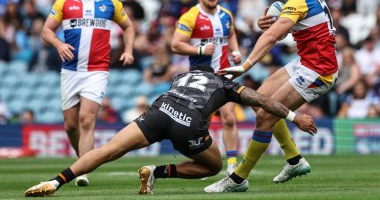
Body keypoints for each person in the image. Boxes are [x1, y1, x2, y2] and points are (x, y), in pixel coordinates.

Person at [24, 65, 317, 197]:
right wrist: (294, 117)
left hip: (159, 110)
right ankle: (157, 171)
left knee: (107, 150)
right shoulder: (225, 84)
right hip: (187, 123)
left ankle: (55, 181)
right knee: (214, 166)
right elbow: (263, 101)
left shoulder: (183, 75)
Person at [205, 0, 338, 192]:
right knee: (259, 100)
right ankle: (295, 160)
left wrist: (245, 66)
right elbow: (287, 24)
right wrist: (270, 19)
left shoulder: (300, 0)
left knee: (266, 116)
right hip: (305, 61)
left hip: (319, 70)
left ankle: (238, 179)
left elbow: (271, 37)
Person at [40, 0, 135, 187]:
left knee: (86, 120)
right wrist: (59, 45)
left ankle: (81, 172)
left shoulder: (110, 3)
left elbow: (129, 27)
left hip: (97, 71)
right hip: (71, 71)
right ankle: (82, 160)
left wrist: (128, 50)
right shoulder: (64, 3)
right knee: (70, 126)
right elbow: (46, 30)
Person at [171, 0, 242, 174]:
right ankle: (204, 162)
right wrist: (200, 50)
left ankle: (232, 164)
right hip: (201, 79)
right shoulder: (190, 17)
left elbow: (232, 35)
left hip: (225, 75)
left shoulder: (226, 15)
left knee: (229, 118)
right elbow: (175, 44)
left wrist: (235, 51)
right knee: (203, 124)